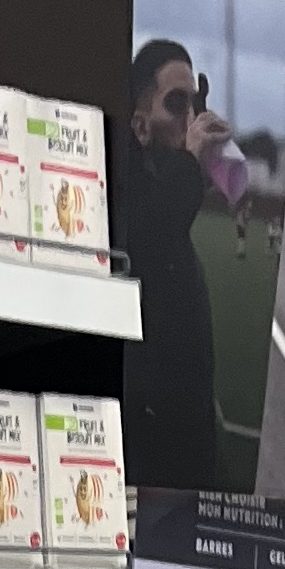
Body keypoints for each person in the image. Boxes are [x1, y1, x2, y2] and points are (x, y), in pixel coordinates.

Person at [118, 36, 229, 491]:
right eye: (175, 104)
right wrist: (191, 162)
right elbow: (151, 237)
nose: (190, 119)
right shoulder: (129, 207)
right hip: (153, 461)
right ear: (141, 128)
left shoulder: (172, 206)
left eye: (194, 105)